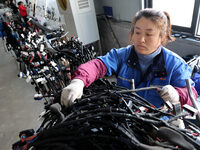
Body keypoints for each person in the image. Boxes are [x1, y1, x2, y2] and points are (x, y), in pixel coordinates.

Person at [61, 8, 198, 108]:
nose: (141, 39)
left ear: (162, 37)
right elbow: (98, 65)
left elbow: (191, 95)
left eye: (149, 34)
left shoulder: (175, 64)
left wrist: (177, 95)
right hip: (125, 117)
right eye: (137, 32)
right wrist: (78, 81)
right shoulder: (122, 55)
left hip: (159, 123)